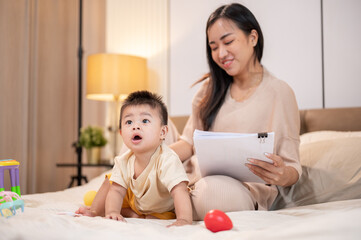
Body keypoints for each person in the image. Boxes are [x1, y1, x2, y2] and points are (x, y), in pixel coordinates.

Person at [170, 3, 302, 220]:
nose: (221, 53)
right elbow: (188, 142)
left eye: (228, 42)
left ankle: (168, 202)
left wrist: (282, 174)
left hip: (241, 191)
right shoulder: (208, 89)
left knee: (213, 193)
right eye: (213, 47)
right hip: (192, 180)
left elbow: (292, 167)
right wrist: (155, 157)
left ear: (253, 38)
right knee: (146, 119)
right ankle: (164, 193)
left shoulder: (280, 93)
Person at [76, 91, 192, 227]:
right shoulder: (124, 160)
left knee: (153, 217)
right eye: (129, 122)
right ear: (121, 133)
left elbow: (179, 190)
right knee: (111, 179)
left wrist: (184, 219)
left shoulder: (167, 159)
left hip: (162, 208)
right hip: (136, 202)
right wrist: (112, 212)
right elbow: (117, 191)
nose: (135, 126)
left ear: (162, 132)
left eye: (145, 121)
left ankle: (134, 214)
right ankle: (95, 211)